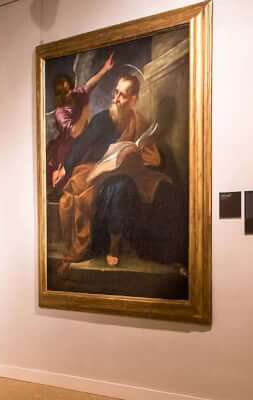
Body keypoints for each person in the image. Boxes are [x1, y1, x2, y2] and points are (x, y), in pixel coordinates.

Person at [52, 73, 185, 270]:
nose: (115, 98)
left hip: (132, 173)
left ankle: (163, 252)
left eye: (122, 95)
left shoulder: (139, 122)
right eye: (115, 92)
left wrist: (158, 161)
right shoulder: (101, 120)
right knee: (121, 186)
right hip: (100, 175)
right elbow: (81, 144)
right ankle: (113, 246)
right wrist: (65, 167)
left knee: (166, 189)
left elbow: (152, 151)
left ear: (133, 100)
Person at [46, 53, 114, 187]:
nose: (70, 93)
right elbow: (75, 132)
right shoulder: (60, 112)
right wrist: (85, 111)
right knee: (73, 180)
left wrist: (105, 69)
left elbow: (89, 85)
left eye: (70, 88)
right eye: (65, 92)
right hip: (68, 150)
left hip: (83, 142)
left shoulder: (76, 95)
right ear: (60, 95)